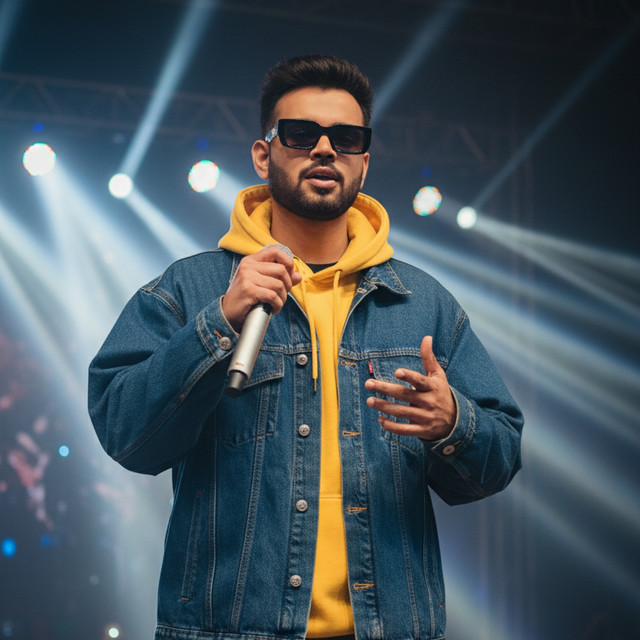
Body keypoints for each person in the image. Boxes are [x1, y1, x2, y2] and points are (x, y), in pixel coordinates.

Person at [88, 54, 523, 640]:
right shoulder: (190, 289)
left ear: (364, 162)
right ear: (263, 154)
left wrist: (452, 423)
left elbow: (498, 462)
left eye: (346, 138)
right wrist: (218, 322)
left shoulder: (423, 305)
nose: (324, 149)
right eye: (300, 133)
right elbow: (126, 434)